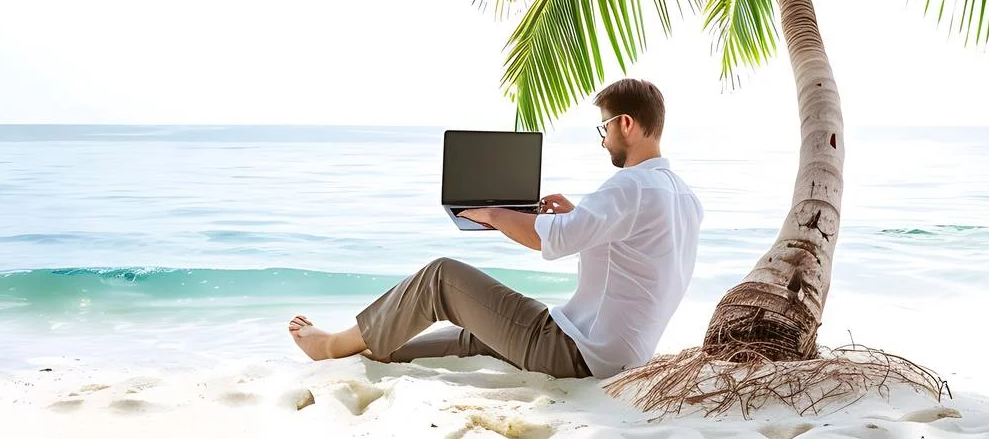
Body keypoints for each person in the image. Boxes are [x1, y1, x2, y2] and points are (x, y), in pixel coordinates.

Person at [287, 78, 703, 380]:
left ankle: (332, 345)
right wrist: (577, 214)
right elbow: (635, 256)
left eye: (604, 128)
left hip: (577, 352)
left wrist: (494, 212)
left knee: (440, 276)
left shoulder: (629, 187)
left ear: (625, 123)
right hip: (617, 355)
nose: (603, 140)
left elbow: (546, 239)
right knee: (471, 335)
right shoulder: (681, 195)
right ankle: (370, 352)